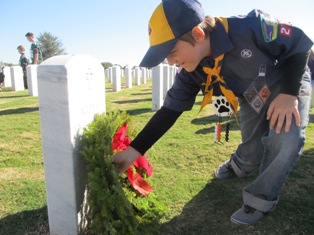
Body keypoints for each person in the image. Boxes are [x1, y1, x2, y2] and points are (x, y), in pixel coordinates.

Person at [113, 0, 313, 225]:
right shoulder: (191, 70)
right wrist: (132, 152)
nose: (169, 62)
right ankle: (240, 165)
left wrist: (288, 95)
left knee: (286, 139)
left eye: (172, 51)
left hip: (287, 82)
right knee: (252, 144)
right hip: (252, 93)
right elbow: (169, 111)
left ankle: (260, 199)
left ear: (197, 34)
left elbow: (299, 43)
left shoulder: (249, 26)